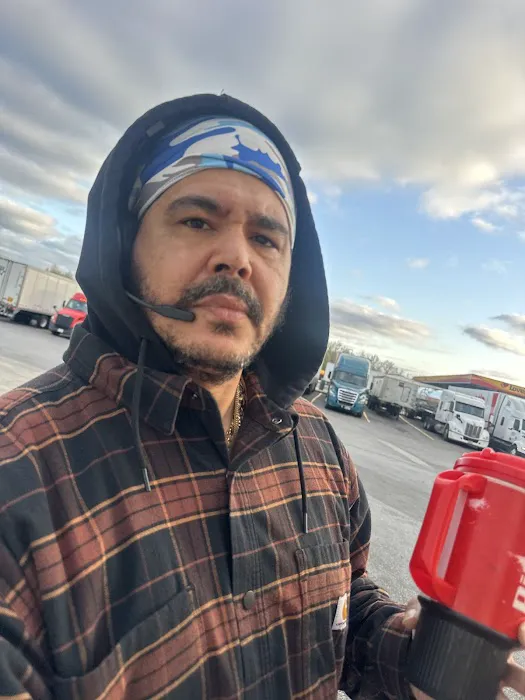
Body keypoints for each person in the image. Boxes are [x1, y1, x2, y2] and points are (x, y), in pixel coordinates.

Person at [0, 94, 523, 700]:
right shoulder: (20, 473)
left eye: (267, 239)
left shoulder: (315, 442)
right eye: (197, 221)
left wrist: (407, 656)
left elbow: (340, 608)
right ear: (123, 242)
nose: (237, 257)